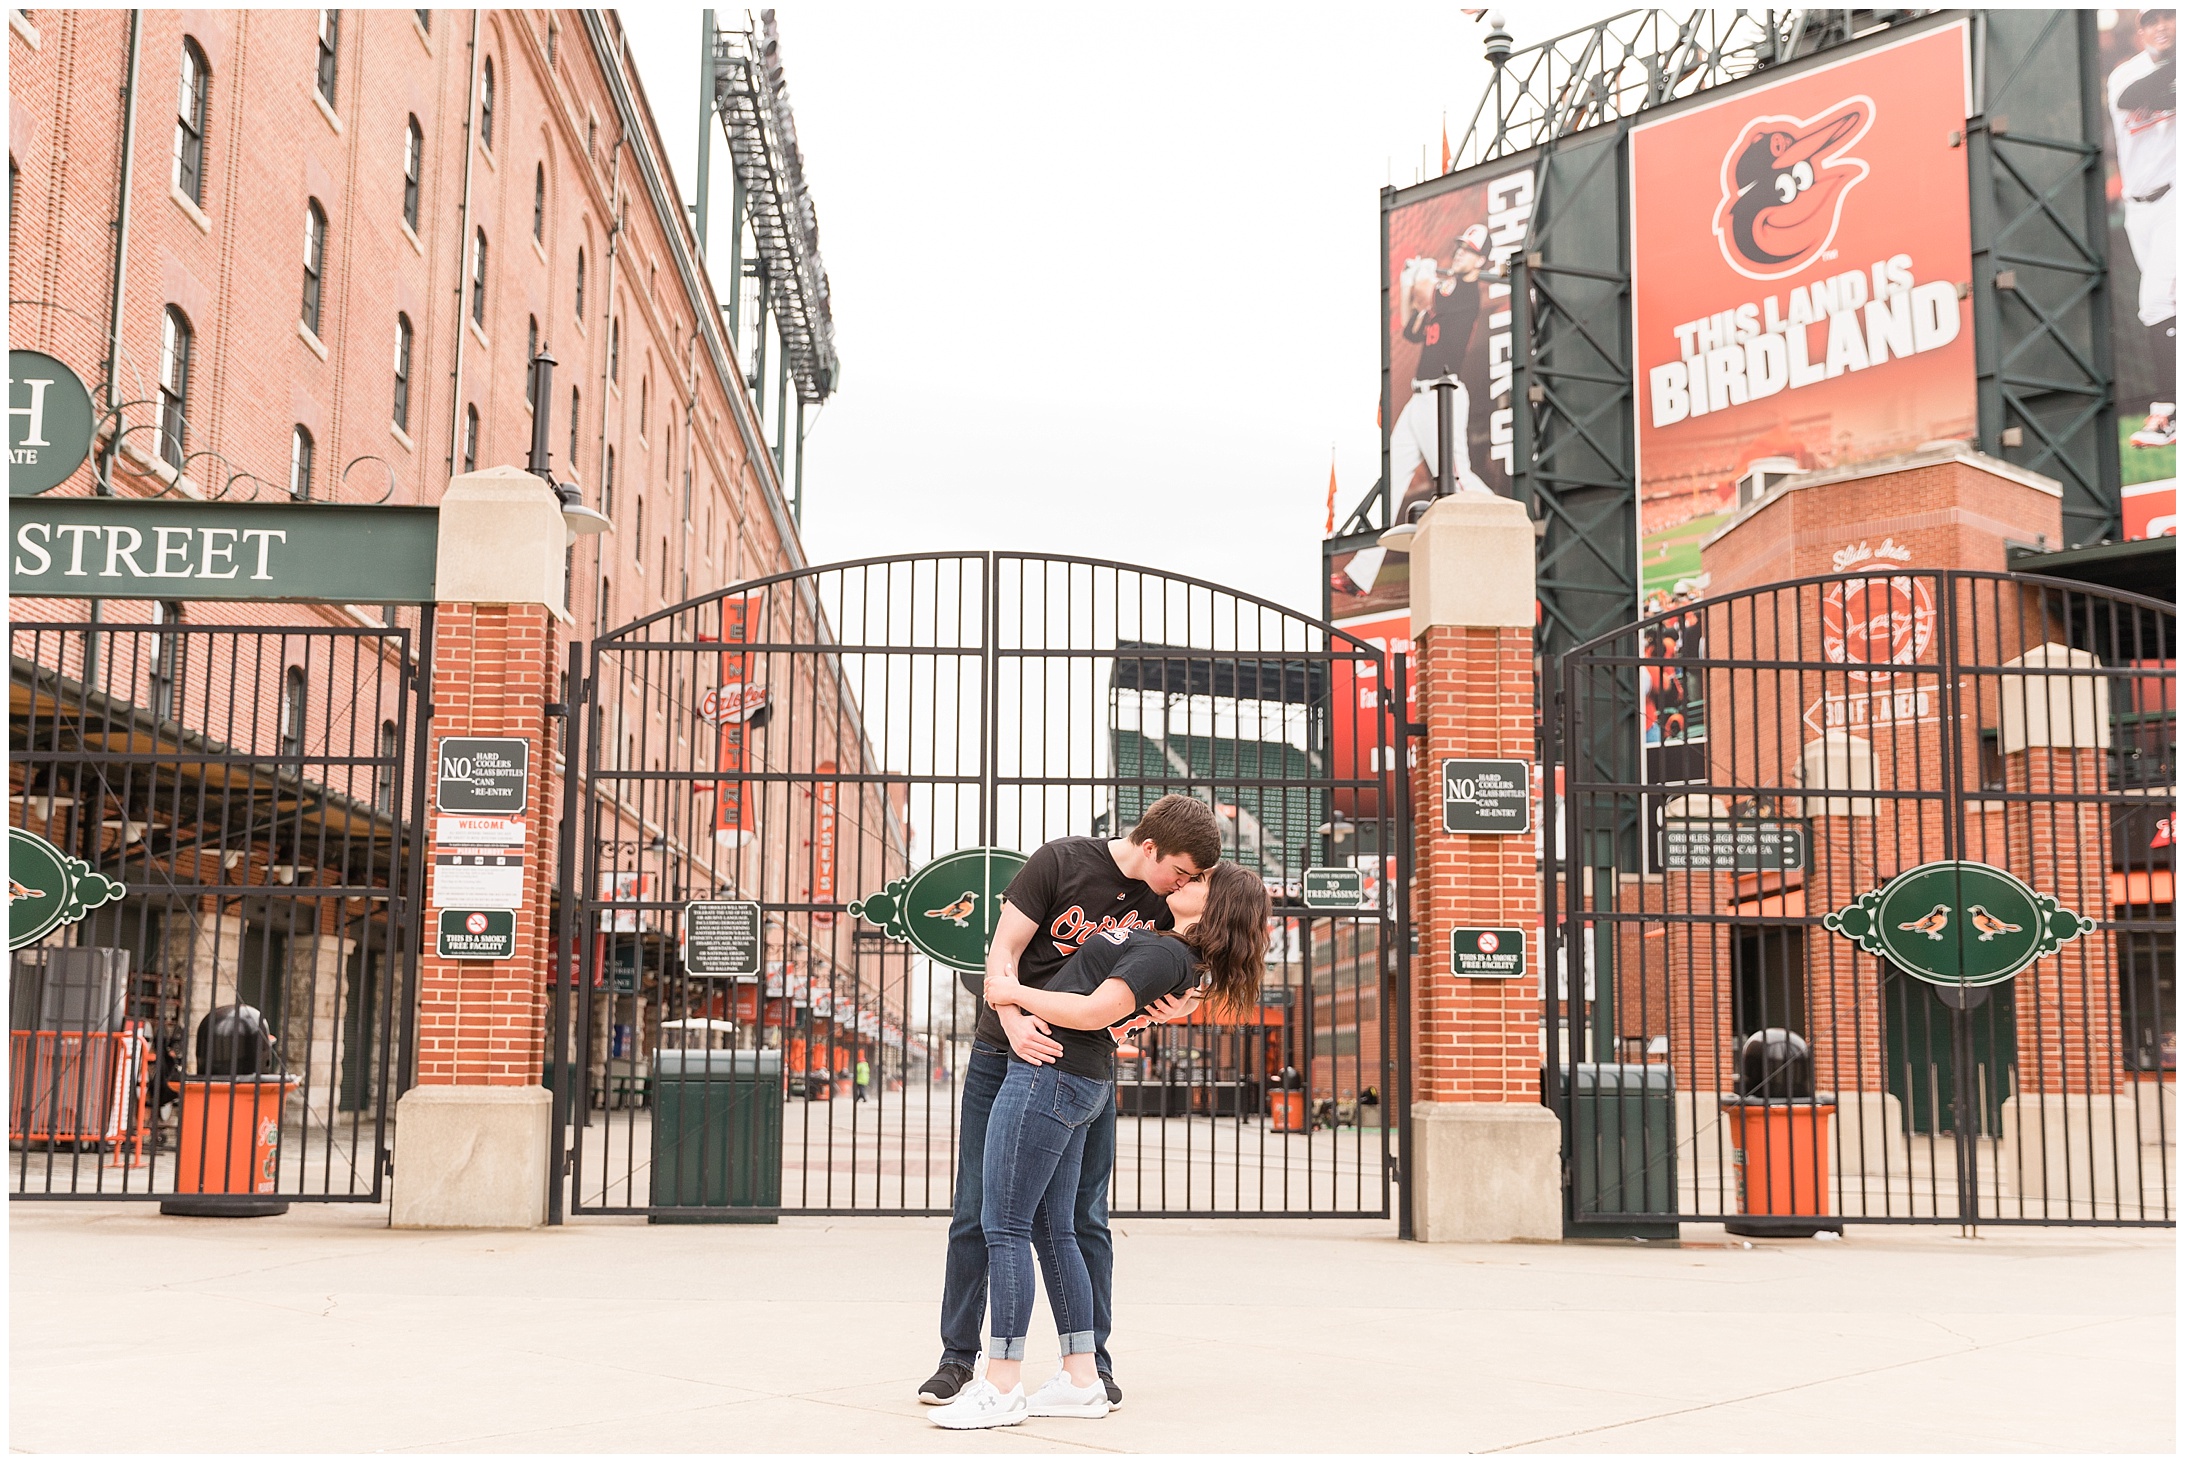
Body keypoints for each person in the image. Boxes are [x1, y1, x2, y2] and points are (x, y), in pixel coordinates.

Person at [928, 862, 1270, 1429]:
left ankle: (1001, 1384)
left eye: (1202, 880)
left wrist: (1014, 992)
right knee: (1053, 1228)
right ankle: (1082, 1378)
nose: (1187, 881)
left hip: (1050, 1074)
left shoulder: (1166, 955)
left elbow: (1094, 1012)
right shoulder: (1166, 945)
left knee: (1006, 1226)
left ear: (1216, 907)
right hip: (1076, 1079)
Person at [1390, 222, 1501, 504]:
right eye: (1461, 246)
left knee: (1456, 477)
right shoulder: (1448, 290)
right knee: (1392, 477)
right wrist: (1406, 283)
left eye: (1469, 250)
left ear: (1480, 260)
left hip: (1443, 394)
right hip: (1419, 399)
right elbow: (1409, 330)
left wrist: (1423, 275)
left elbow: (1427, 295)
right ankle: (1370, 549)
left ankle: (1507, 522)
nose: (1461, 253)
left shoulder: (1465, 291)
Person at [2109, 8, 2177, 447]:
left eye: (2170, 18)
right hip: (2138, 208)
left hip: (2176, 197)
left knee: (2154, 301)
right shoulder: (2124, 74)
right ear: (2140, 32)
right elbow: (2134, 96)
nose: (2162, 28)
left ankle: (2167, 411)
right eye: (2152, 21)